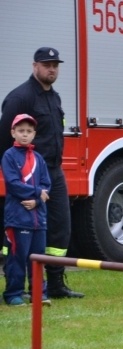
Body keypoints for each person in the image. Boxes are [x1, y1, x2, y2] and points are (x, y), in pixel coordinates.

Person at [0, 47, 84, 298]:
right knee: (20, 229)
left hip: (53, 173)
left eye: (55, 65)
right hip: (27, 174)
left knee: (58, 227)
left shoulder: (54, 97)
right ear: (34, 66)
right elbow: (4, 138)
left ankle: (55, 284)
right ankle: (14, 285)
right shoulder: (20, 97)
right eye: (47, 64)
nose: (52, 69)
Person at [3, 114, 51, 306]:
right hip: (18, 218)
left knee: (38, 258)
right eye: (21, 131)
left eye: (29, 131)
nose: (25, 135)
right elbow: (13, 184)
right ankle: (13, 293)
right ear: (13, 132)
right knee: (17, 257)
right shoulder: (9, 156)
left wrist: (37, 202)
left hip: (38, 218)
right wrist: (38, 193)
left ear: (34, 134)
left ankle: (38, 292)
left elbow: (47, 185)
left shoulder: (39, 158)